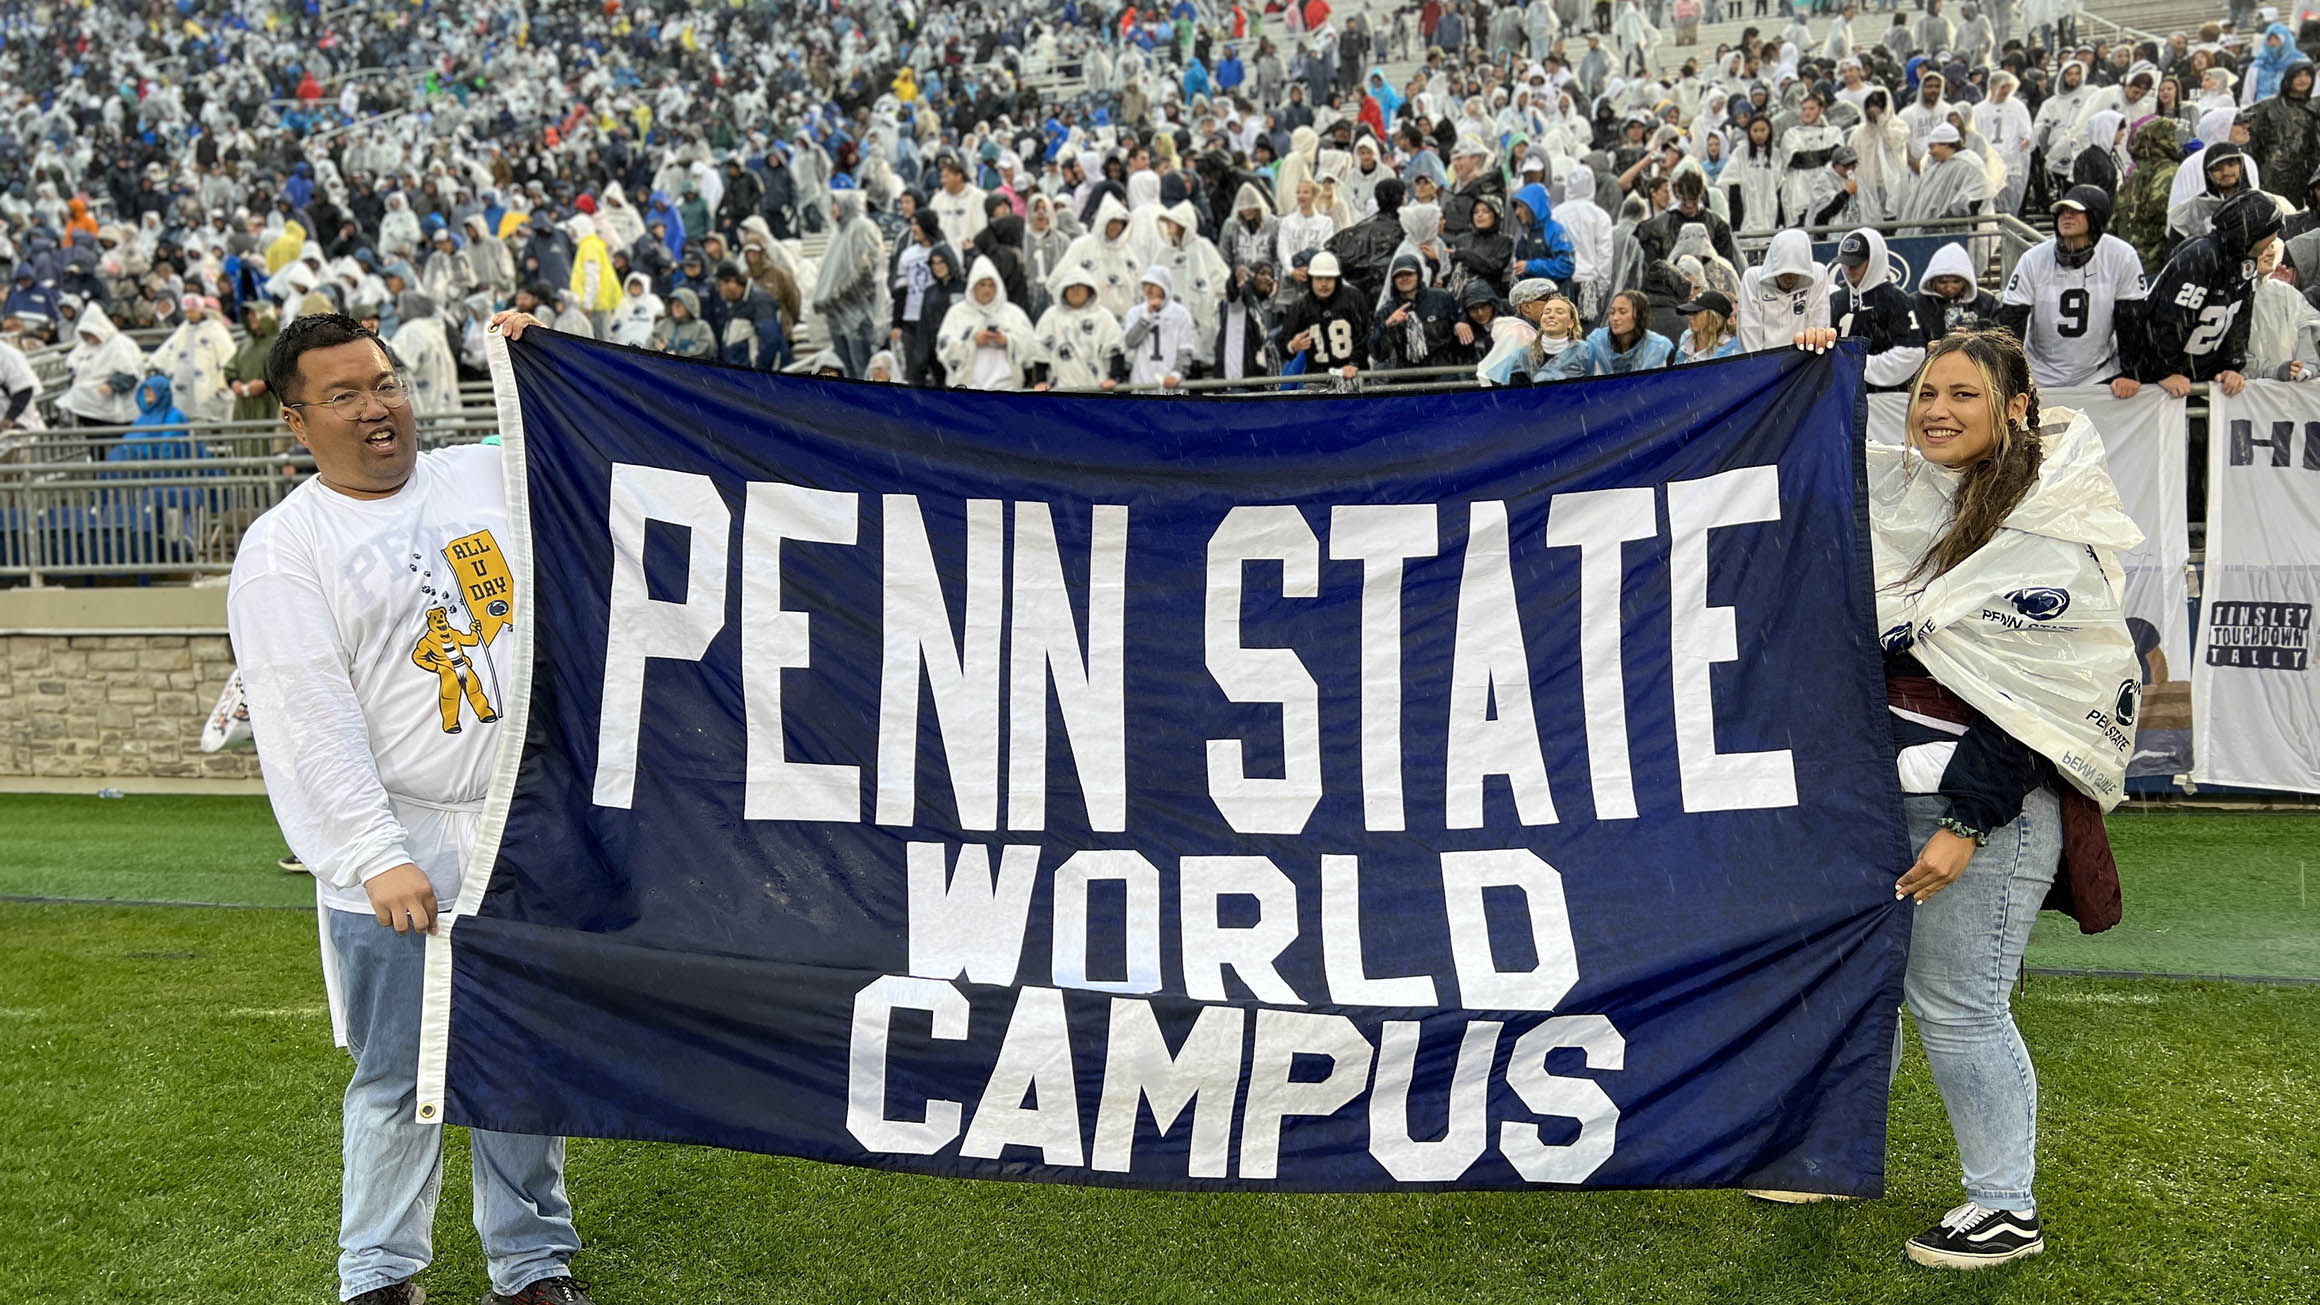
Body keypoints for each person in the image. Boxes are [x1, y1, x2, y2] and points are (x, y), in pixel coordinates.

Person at [229, 312, 597, 1305]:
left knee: (523, 1058)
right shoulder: (284, 549)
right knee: (401, 1077)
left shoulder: (478, 478)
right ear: (296, 422)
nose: (375, 408)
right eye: (342, 395)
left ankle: (531, 1267)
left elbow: (578, 432)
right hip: (401, 842)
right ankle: (380, 1278)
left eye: (384, 383)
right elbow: (309, 718)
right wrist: (373, 852)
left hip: (520, 829)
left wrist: (541, 350)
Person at [1778, 325, 2135, 1269]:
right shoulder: (1910, 497)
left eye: (1963, 394)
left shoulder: (2053, 524)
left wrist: (1968, 822)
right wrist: (1811, 369)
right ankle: (1832, 1156)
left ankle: (2005, 1205)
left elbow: (2042, 700)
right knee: (1873, 990)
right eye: (1926, 392)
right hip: (1878, 798)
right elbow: (1805, 460)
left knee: (1960, 1004)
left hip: (1984, 810)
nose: (1936, 408)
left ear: (2017, 407)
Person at [1997, 186, 2149, 395]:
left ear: (2096, 216)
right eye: (2062, 211)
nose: (2066, 216)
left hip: (2099, 374)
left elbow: (2131, 320)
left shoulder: (2122, 256)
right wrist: (2010, 375)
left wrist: (2132, 372)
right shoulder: (2033, 259)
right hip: (2040, 375)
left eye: (2075, 211)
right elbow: (2011, 321)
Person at [2132, 189, 2279, 398]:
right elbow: (2169, 318)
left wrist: (2232, 366)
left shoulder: (2245, 259)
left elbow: (2239, 315)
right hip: (2159, 384)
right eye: (2271, 232)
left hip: (2202, 377)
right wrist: (2164, 371)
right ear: (2251, 233)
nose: (2274, 238)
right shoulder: (2201, 258)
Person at [1831, 228, 1929, 388]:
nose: (1849, 269)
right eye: (1845, 262)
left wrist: (1860, 365)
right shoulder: (1835, 299)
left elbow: (1912, 354)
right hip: (1843, 396)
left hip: (1887, 399)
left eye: (1856, 263)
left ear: (1874, 260)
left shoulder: (1896, 299)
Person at [937, 256, 1038, 391]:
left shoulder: (1013, 313)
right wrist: (972, 341)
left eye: (991, 285)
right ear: (973, 286)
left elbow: (1031, 346)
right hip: (968, 389)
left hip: (1007, 388)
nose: (987, 290)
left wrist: (1007, 341)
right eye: (982, 284)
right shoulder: (957, 313)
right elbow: (944, 349)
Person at [1276, 250, 1370, 377]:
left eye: (1329, 278)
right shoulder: (1300, 306)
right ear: (1310, 279)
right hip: (1318, 378)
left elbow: (1366, 335)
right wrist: (1292, 346)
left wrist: (1354, 363)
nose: (1324, 284)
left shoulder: (1354, 298)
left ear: (1337, 279)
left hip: (1354, 375)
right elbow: (1282, 344)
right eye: (1319, 278)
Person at [1032, 267, 1128, 390]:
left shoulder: (1103, 316)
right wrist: (1040, 380)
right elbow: (1040, 350)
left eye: (1080, 287)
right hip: (1060, 390)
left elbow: (1116, 347)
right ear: (1063, 290)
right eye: (1071, 287)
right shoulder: (1051, 316)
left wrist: (1115, 378)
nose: (1076, 290)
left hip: (1096, 390)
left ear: (1089, 289)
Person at [1737, 229, 1833, 351]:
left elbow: (1818, 327)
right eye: (1783, 272)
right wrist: (1759, 365)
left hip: (1803, 360)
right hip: (1764, 362)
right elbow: (1749, 330)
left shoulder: (1818, 274)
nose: (1789, 277)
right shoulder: (1752, 278)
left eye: (1795, 273)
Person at [1117, 265, 1198, 388]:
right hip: (1141, 383)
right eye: (1145, 285)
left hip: (1171, 385)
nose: (1148, 290)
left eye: (1153, 285)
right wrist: (1147, 316)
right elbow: (1130, 342)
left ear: (1164, 286)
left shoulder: (1181, 313)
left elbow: (1186, 350)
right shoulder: (1135, 312)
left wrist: (1176, 375)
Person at [1575, 289, 1674, 372]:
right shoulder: (1597, 342)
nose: (1615, 318)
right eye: (1612, 312)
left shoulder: (1657, 347)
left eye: (1622, 312)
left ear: (1640, 315)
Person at [1916, 243, 2003, 336]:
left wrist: (1975, 337)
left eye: (1956, 281)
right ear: (1932, 280)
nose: (1949, 288)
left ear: (1966, 280)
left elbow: (2001, 336)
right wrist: (1927, 347)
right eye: (1943, 282)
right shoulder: (1917, 303)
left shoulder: (1988, 302)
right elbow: (1909, 340)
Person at [1673, 289, 1742, 362]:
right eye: (1689, 313)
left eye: (1695, 312)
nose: (1690, 317)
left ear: (1714, 317)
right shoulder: (1685, 342)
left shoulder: (1733, 351)